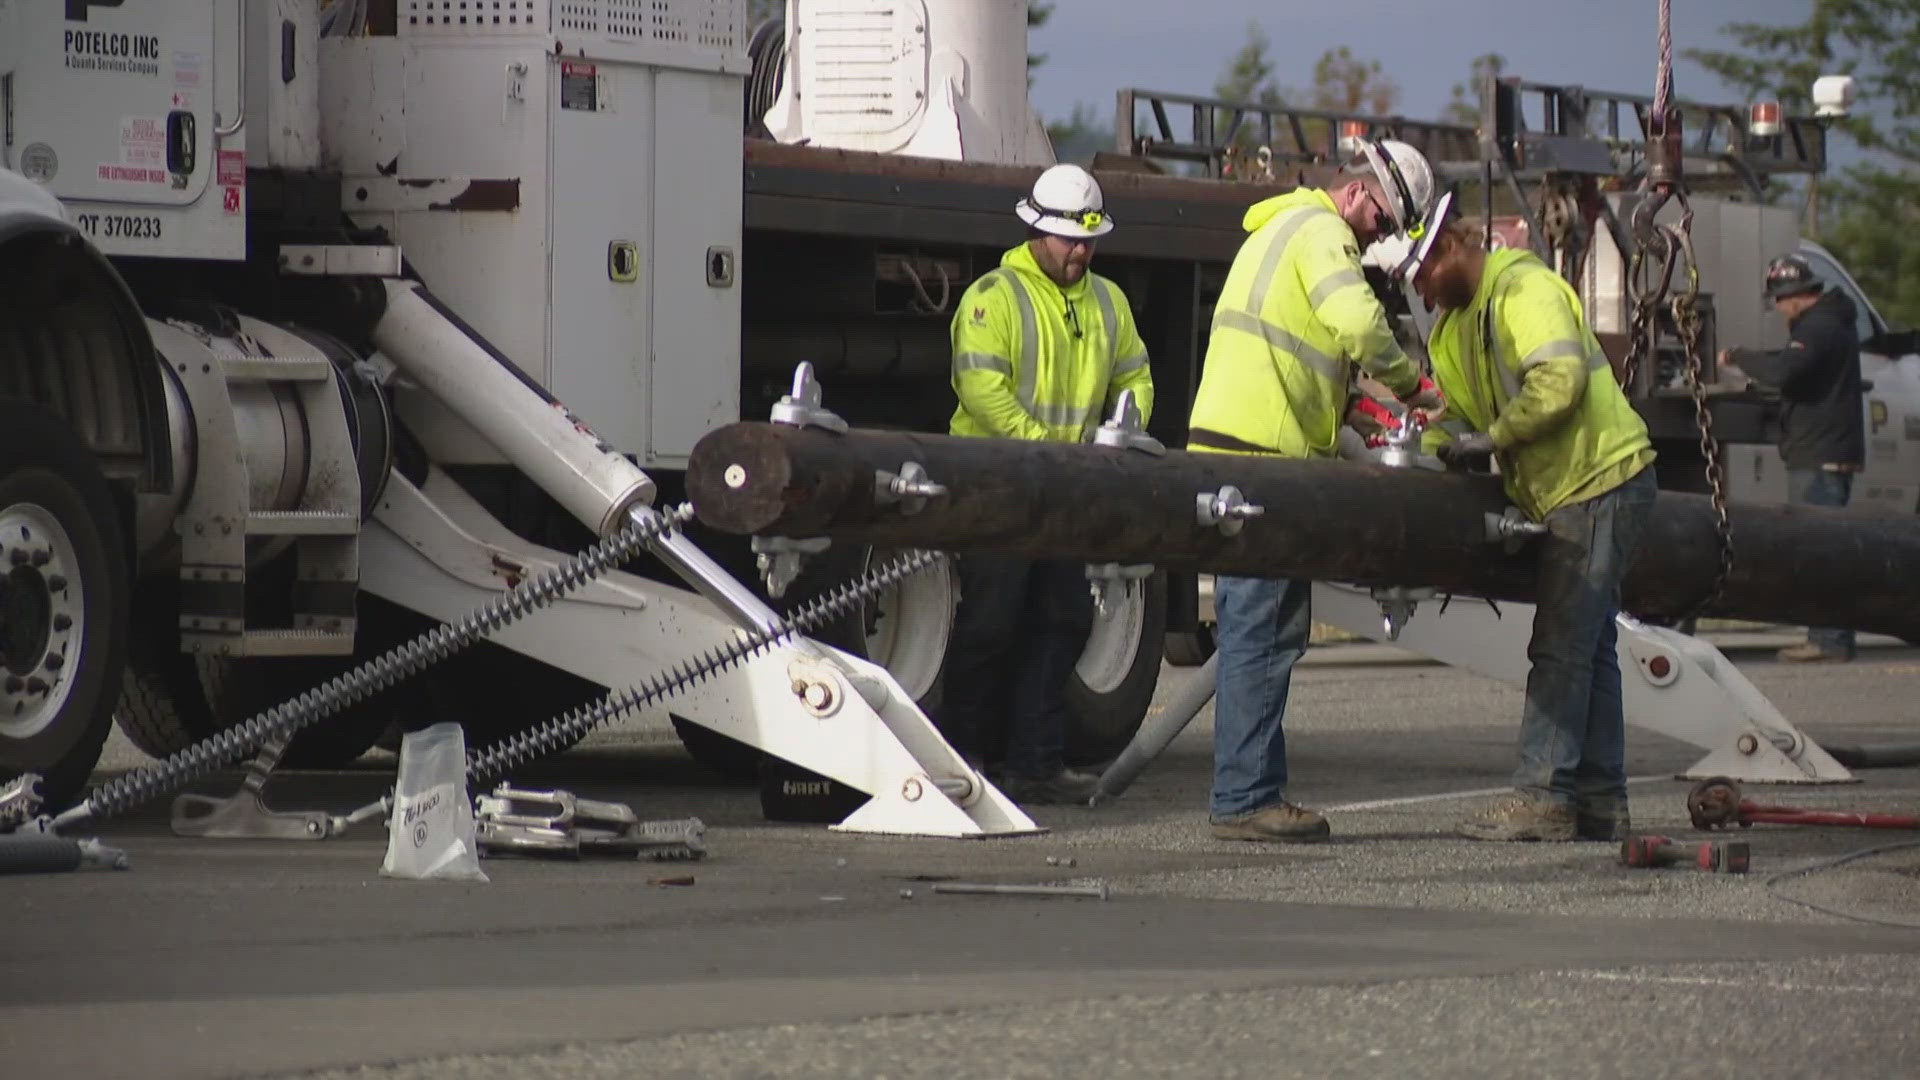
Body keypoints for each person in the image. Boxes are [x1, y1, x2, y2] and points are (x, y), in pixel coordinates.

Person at [1184, 139, 1445, 843]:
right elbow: (1358, 325)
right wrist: (1414, 389)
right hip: (1266, 459)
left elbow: (1299, 352)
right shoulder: (1324, 232)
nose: (1380, 240)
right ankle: (1246, 798)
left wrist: (1361, 411)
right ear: (1360, 194)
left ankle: (1248, 791)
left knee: (1264, 627)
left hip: (1243, 447)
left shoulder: (1281, 229)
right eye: (1384, 222)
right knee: (1264, 632)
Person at [1407, 217, 1659, 843]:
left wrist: (1490, 441)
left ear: (1451, 247)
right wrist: (1432, 445)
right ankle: (1601, 802)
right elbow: (1462, 414)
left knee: (1561, 647)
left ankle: (1541, 796)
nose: (1423, 294)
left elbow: (1560, 383)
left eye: (1424, 275)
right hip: (1571, 489)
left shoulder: (1524, 290)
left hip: (1599, 479)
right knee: (1589, 648)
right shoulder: (1451, 331)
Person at [941, 163, 1155, 805]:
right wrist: (1046, 450)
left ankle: (1034, 763)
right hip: (998, 486)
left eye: (1090, 239)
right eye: (1070, 239)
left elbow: (1136, 376)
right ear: (1037, 230)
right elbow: (981, 388)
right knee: (990, 622)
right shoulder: (994, 297)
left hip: (1064, 492)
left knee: (1062, 619)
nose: (1081, 251)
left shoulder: (1108, 302)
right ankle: (962, 759)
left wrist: (1124, 427)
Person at [1718, 254, 1865, 663]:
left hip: (1820, 455)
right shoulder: (1830, 323)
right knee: (1823, 546)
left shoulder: (1818, 327)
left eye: (1779, 301)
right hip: (1824, 449)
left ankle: (1830, 640)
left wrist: (1739, 357)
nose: (1779, 309)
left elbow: (1787, 371)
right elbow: (1792, 363)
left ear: (1793, 297)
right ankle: (1828, 636)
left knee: (1821, 548)